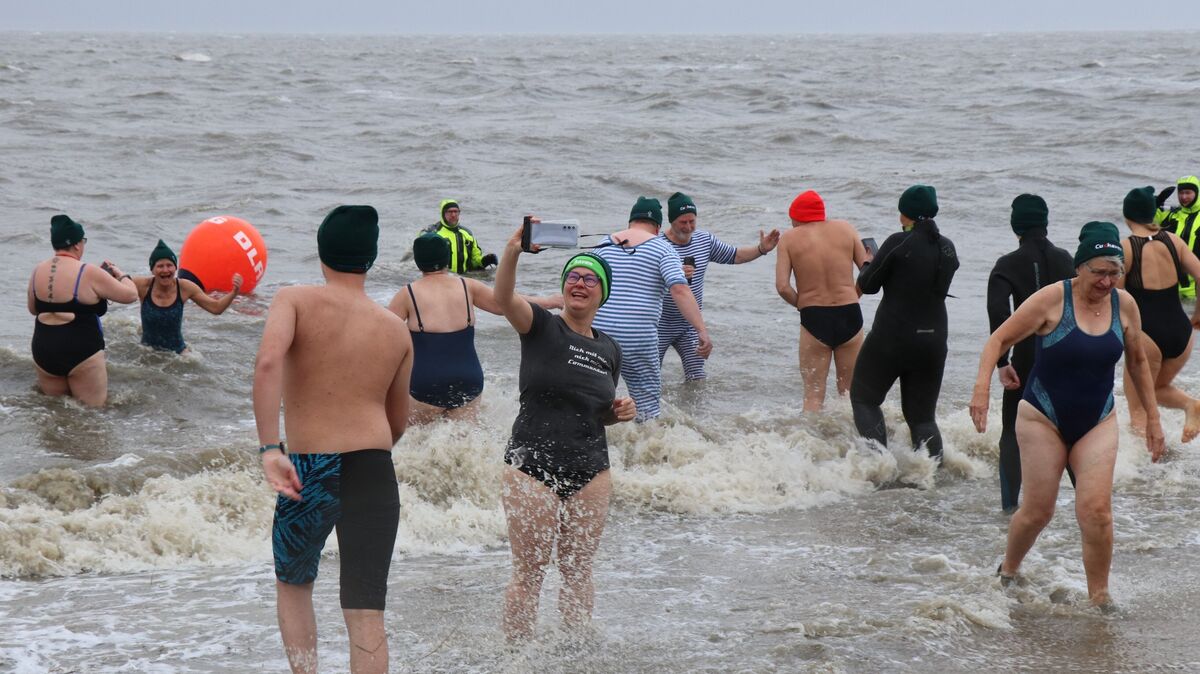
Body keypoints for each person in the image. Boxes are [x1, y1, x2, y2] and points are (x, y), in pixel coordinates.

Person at [970, 221, 1165, 610]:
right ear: (1079, 267)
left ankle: (1100, 597)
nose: (1107, 282)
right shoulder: (1050, 300)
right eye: (1099, 272)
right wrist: (981, 391)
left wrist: (1154, 419)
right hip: (1043, 415)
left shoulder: (1124, 305)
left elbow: (1139, 361)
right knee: (1038, 511)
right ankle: (1008, 570)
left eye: (1115, 273)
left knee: (1097, 512)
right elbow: (998, 340)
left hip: (1098, 418)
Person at [253, 205, 413, 674]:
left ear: (321, 252)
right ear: (372, 257)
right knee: (366, 612)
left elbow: (267, 366)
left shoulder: (295, 300)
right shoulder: (396, 329)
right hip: (374, 468)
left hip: (312, 468)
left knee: (295, 583)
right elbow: (398, 421)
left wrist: (269, 448)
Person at [492, 223, 636, 641]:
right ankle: (517, 659)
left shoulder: (610, 348)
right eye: (573, 276)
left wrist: (617, 412)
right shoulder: (540, 326)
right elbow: (502, 300)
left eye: (590, 279)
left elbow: (597, 413)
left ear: (601, 292)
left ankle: (575, 653)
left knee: (577, 570)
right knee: (530, 572)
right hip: (530, 466)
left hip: (591, 470)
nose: (580, 283)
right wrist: (513, 251)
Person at [387, 233, 561, 424]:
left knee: (414, 443)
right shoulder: (467, 286)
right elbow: (506, 303)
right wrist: (549, 301)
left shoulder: (407, 294)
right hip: (467, 380)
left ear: (418, 261)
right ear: (446, 258)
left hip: (425, 383)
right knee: (461, 444)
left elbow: (383, 335)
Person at [850, 185, 959, 459]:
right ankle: (932, 476)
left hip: (893, 337)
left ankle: (879, 466)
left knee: (865, 398)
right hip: (933, 340)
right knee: (922, 418)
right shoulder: (947, 247)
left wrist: (868, 263)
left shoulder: (898, 242)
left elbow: (868, 285)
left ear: (904, 213)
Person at [986, 194, 1076, 513]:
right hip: (1067, 356)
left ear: (1016, 225)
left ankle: (1010, 508)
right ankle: (1088, 503)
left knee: (1013, 430)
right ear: (1045, 221)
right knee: (1072, 430)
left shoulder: (1007, 265)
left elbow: (999, 314)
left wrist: (1002, 360)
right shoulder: (1068, 259)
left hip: (1026, 358)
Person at [591, 197, 713, 421]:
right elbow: (680, 290)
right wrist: (701, 330)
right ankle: (648, 449)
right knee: (646, 407)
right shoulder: (662, 248)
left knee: (594, 399)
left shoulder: (603, 243)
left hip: (598, 335)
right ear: (658, 227)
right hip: (637, 337)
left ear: (630, 222)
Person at [658, 191, 779, 382]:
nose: (689, 227)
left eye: (692, 221)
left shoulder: (704, 241)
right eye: (683, 222)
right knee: (650, 377)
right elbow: (642, 281)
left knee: (697, 379)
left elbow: (735, 255)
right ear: (671, 220)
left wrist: (761, 249)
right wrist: (673, 272)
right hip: (659, 323)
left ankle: (690, 413)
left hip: (690, 324)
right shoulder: (657, 244)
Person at [27, 214, 139, 406]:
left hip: (44, 349)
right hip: (81, 350)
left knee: (55, 414)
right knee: (92, 415)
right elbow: (130, 295)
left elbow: (33, 309)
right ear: (78, 244)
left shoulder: (38, 270)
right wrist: (122, 275)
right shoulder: (88, 271)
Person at [775, 190, 871, 411]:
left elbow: (782, 286)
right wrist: (853, 294)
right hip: (850, 314)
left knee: (813, 396)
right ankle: (854, 443)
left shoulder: (789, 238)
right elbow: (868, 273)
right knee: (849, 395)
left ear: (797, 217)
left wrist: (802, 303)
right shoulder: (846, 229)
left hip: (814, 317)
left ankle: (813, 443)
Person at [1119, 186, 1200, 442]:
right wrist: (1198, 313)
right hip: (1182, 333)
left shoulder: (1127, 248)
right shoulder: (1173, 240)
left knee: (1138, 411)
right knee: (1155, 389)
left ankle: (1144, 474)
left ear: (1127, 216)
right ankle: (1191, 405)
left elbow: (1117, 300)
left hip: (1146, 337)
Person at [133, 239, 243, 354]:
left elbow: (216, 308)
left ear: (175, 268)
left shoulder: (185, 287)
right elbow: (119, 286)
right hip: (147, 351)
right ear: (152, 270)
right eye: (160, 266)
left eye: (169, 265)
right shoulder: (143, 286)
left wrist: (234, 292)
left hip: (178, 354)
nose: (165, 270)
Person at [1153, 175, 1200, 298]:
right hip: (1172, 285)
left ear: (1197, 193)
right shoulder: (1172, 215)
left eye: (1188, 193)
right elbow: (1145, 223)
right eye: (1181, 193)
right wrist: (1154, 204)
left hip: (1196, 286)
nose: (1183, 197)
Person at [423, 198, 497, 274]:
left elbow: (474, 261)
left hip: (463, 279)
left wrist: (485, 261)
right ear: (443, 213)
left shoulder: (467, 234)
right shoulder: (432, 234)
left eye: (456, 211)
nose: (453, 215)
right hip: (441, 279)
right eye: (450, 212)